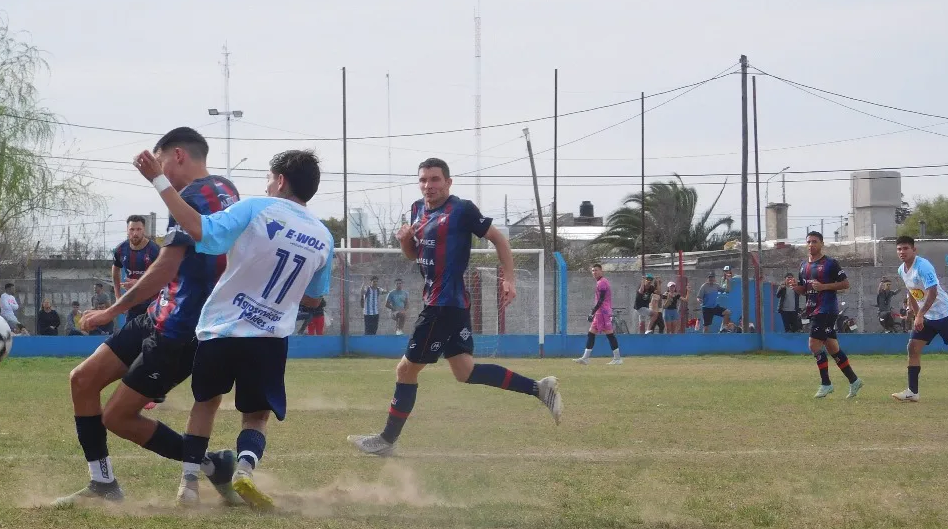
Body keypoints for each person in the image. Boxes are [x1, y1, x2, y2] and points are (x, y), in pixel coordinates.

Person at [137, 147, 333, 508]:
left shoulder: (257, 208)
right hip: (268, 339)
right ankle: (244, 470)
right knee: (256, 416)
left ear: (280, 180)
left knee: (205, 404)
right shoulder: (324, 237)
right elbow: (312, 299)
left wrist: (159, 181)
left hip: (220, 330)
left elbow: (200, 228)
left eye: (269, 178)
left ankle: (190, 484)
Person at [58, 127, 239, 507]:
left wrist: (112, 309)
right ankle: (103, 484)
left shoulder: (192, 198)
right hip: (158, 317)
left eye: (159, 164)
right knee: (83, 380)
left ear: (177, 156)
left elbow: (165, 268)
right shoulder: (225, 189)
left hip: (178, 332)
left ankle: (210, 465)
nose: (158, 174)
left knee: (118, 417)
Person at [347, 158, 561, 458]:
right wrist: (405, 241)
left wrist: (508, 278)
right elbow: (412, 255)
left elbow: (498, 239)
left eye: (435, 180)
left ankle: (387, 439)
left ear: (448, 182)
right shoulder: (417, 209)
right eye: (423, 180)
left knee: (405, 370)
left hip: (443, 305)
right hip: (448, 303)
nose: (428, 186)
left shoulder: (462, 210)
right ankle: (540, 389)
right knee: (465, 371)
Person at [891, 235, 948, 402]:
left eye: (906, 248)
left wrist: (920, 315)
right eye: (899, 249)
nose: (902, 252)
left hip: (944, 315)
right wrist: (916, 314)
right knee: (913, 347)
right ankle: (912, 392)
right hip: (926, 316)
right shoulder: (902, 269)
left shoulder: (923, 266)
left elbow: (933, 292)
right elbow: (911, 291)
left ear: (914, 250)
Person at [797, 230, 861, 399]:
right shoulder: (803, 266)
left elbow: (845, 284)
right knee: (833, 348)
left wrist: (824, 287)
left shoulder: (831, 264)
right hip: (813, 309)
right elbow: (805, 290)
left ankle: (826, 384)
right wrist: (795, 288)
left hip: (826, 309)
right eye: (809, 242)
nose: (811, 245)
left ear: (822, 244)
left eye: (815, 241)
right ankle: (854, 380)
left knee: (813, 344)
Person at [113, 215, 161, 324]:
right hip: (133, 302)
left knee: (151, 337)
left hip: (153, 303)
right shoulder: (121, 249)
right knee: (130, 337)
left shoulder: (154, 250)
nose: (135, 233)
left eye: (139, 229)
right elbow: (115, 268)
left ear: (143, 230)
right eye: (132, 229)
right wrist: (118, 296)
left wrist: (139, 284)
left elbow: (163, 278)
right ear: (127, 230)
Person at [574, 264, 623, 364]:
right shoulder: (600, 282)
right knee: (591, 333)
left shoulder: (602, 282)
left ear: (601, 271)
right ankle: (585, 358)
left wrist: (593, 312)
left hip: (603, 312)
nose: (594, 272)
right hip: (600, 312)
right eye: (592, 271)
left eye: (596, 270)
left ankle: (617, 359)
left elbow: (601, 299)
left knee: (609, 334)